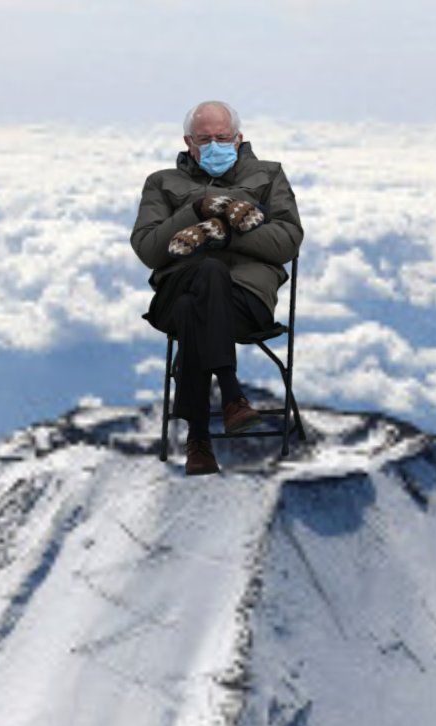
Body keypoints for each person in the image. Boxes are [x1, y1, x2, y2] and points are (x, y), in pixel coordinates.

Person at [131, 101, 304, 476]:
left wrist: (219, 235)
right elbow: (149, 249)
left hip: (245, 301)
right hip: (175, 292)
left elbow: (287, 242)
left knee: (199, 299)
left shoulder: (269, 175)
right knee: (203, 278)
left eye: (222, 138)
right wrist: (197, 209)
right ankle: (231, 394)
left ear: (238, 138)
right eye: (204, 139)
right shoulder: (161, 183)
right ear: (188, 143)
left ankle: (198, 439)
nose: (214, 145)